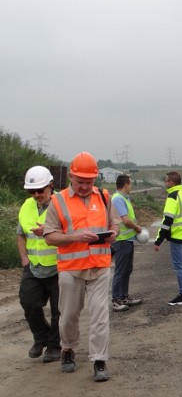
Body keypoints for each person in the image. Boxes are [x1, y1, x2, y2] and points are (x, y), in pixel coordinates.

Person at [43, 152, 120, 382]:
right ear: (71, 177)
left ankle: (99, 360)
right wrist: (75, 237)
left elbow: (113, 222)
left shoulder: (105, 197)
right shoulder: (58, 201)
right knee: (68, 315)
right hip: (70, 267)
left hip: (99, 265)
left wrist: (113, 232)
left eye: (89, 182)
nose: (85, 186)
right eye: (81, 182)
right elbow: (49, 236)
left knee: (99, 315)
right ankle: (67, 348)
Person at [17, 166, 61, 363]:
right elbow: (21, 234)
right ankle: (41, 337)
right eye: (32, 191)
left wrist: (49, 232)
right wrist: (24, 259)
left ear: (51, 186)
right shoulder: (27, 206)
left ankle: (54, 346)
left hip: (60, 268)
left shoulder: (63, 204)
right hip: (33, 266)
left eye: (40, 190)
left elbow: (73, 233)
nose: (36, 194)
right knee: (29, 303)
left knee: (59, 311)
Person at [153, 171, 182, 306]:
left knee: (179, 266)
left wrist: (159, 240)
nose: (165, 183)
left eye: (166, 181)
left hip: (177, 237)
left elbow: (167, 219)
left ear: (172, 182)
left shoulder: (173, 196)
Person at [110, 174, 144, 312]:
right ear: (125, 185)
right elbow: (125, 220)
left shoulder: (123, 198)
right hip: (122, 241)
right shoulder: (118, 199)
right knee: (121, 270)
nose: (131, 186)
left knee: (127, 270)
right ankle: (116, 299)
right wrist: (137, 228)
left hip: (127, 240)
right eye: (130, 184)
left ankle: (123, 296)